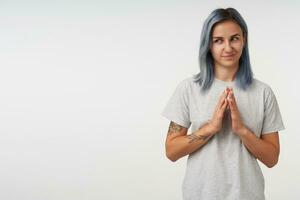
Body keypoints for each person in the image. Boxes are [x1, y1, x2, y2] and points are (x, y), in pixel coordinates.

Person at [161, 7, 285, 200]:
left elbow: (272, 158)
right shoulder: (188, 89)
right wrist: (210, 128)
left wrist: (242, 130)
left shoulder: (263, 92)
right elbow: (171, 151)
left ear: (244, 39)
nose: (228, 48)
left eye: (234, 38)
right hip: (199, 194)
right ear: (208, 45)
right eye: (218, 41)